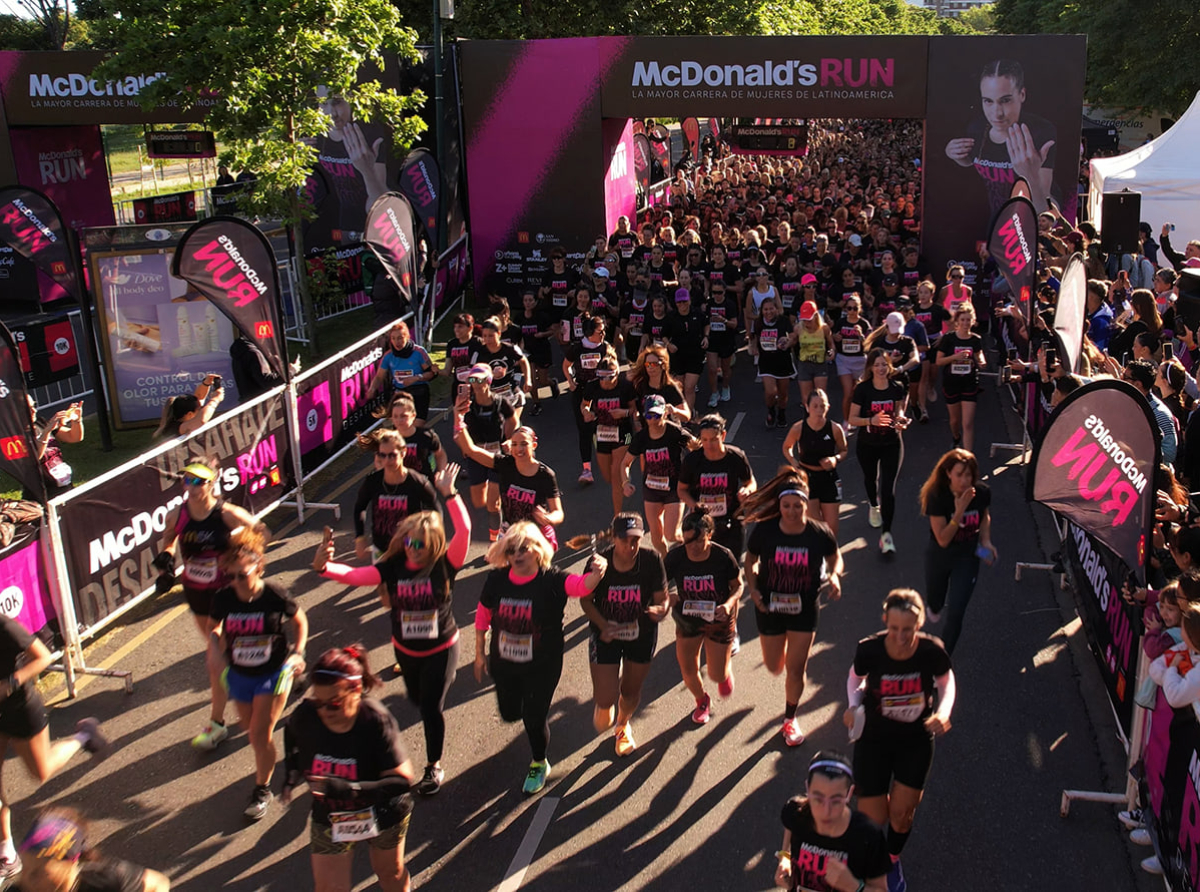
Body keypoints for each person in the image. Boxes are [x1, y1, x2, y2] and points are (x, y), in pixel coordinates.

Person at [315, 465, 468, 796]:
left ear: (434, 544)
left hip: (441, 648)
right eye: (410, 540)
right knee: (416, 699)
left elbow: (465, 531)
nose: (414, 547)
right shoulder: (392, 566)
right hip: (405, 650)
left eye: (422, 543)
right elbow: (358, 576)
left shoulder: (444, 564)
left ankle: (433, 766)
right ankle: (429, 700)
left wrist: (450, 495)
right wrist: (325, 567)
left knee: (430, 708)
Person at [473, 522, 605, 794]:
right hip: (504, 663)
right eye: (511, 550)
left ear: (537, 550)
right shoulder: (497, 580)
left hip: (542, 665)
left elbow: (580, 586)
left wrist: (597, 572)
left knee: (533, 716)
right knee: (510, 713)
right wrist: (478, 653)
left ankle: (538, 762)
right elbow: (483, 614)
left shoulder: (551, 579)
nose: (517, 554)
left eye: (524, 548)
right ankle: (528, 718)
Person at [844, 589, 955, 892]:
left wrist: (944, 711)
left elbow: (946, 681)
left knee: (902, 815)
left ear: (919, 624)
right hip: (874, 739)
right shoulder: (870, 649)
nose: (900, 635)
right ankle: (878, 840)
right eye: (894, 628)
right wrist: (853, 707)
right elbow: (855, 678)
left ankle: (891, 861)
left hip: (914, 741)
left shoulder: (931, 651)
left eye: (908, 629)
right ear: (885, 621)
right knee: (873, 816)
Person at [282, 645, 417, 892]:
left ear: (355, 690)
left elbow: (403, 780)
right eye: (318, 702)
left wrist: (351, 789)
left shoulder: (375, 720)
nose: (324, 712)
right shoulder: (307, 714)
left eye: (333, 703)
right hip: (332, 813)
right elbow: (290, 733)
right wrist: (291, 770)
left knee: (390, 873)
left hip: (382, 810)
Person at [155, 458, 264, 751]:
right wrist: (166, 560)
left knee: (216, 659)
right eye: (185, 480)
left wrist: (239, 553)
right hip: (196, 593)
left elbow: (261, 532)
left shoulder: (225, 513)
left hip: (227, 594)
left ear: (211, 483)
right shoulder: (179, 514)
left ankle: (217, 724)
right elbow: (168, 538)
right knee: (227, 653)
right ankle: (266, 678)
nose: (189, 487)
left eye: (196, 481)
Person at [209, 527, 308, 821]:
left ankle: (262, 789)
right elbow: (214, 627)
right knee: (248, 728)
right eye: (231, 575)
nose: (236, 581)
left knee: (259, 733)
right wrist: (215, 646)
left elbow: (300, 620)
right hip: (239, 673)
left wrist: (298, 652)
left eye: (243, 575)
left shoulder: (274, 595)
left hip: (273, 672)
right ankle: (302, 733)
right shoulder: (224, 598)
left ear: (259, 567)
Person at [0, 617, 107, 878]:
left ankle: (83, 735)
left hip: (19, 710)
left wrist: (7, 685)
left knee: (41, 771)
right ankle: (7, 852)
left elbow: (43, 657)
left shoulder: (3, 626)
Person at [743, 469, 843, 747]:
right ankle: (784, 653)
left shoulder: (817, 532)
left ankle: (789, 719)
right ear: (779, 505)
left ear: (805, 503)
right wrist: (752, 588)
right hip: (770, 606)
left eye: (797, 505)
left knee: (796, 669)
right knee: (775, 665)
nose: (791, 511)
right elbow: (750, 560)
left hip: (804, 608)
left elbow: (836, 556)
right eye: (786, 505)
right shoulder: (765, 530)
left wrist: (834, 575)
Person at [578, 514, 669, 755]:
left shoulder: (651, 560)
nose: (630, 547)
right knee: (605, 699)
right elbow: (585, 600)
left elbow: (662, 599)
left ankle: (622, 726)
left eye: (635, 541)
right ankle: (606, 704)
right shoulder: (599, 563)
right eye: (624, 540)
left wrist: (661, 610)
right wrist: (603, 624)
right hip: (605, 633)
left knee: (629, 692)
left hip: (641, 634)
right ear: (614, 538)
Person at [943, 58, 1057, 216]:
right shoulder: (977, 127)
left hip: (1028, 227)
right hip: (997, 221)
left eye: (1005, 101)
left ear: (1022, 94)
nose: (997, 113)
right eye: (988, 101)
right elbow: (973, 160)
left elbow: (1044, 212)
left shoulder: (1039, 132)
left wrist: (1030, 176)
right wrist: (955, 154)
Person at [665, 507, 741, 725]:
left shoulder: (723, 556)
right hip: (688, 619)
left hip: (718, 619)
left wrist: (728, 604)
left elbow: (738, 586)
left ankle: (723, 673)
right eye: (688, 542)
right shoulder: (676, 557)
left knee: (717, 675)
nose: (693, 547)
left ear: (709, 535)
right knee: (688, 669)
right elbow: (658, 585)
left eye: (699, 541)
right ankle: (702, 700)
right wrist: (667, 597)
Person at [775, 752, 890, 892]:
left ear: (849, 793)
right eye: (818, 798)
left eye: (836, 800)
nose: (826, 811)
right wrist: (785, 857)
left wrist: (854, 887)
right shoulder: (795, 812)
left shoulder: (868, 836)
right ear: (807, 788)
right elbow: (790, 826)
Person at [920, 449, 996, 654]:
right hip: (940, 556)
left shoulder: (981, 492)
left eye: (968, 475)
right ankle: (934, 606)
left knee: (956, 612)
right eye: (959, 474)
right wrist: (960, 510)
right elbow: (943, 539)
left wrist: (986, 542)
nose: (964, 480)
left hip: (967, 556)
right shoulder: (937, 496)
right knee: (935, 603)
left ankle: (942, 659)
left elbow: (984, 517)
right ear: (948, 474)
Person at [455, 425, 564, 549]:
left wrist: (549, 518)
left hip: (535, 536)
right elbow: (471, 450)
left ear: (533, 445)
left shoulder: (545, 475)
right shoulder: (505, 464)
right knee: (509, 567)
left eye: (524, 444)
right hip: (512, 533)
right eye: (514, 444)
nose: (519, 449)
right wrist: (460, 422)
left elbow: (558, 512)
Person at [17, 808, 170, 891]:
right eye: (23, 868)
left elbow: (158, 883)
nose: (26, 880)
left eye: (37, 872)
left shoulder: (107, 877)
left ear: (69, 863)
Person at [622, 395, 700, 557]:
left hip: (674, 488)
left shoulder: (674, 432)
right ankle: (667, 561)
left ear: (665, 413)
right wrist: (625, 482)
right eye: (649, 416)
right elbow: (625, 463)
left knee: (671, 534)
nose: (653, 419)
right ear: (644, 416)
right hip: (651, 489)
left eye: (657, 415)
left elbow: (696, 448)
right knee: (657, 537)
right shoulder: (641, 438)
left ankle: (689, 541)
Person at [849, 350, 911, 555]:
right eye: (877, 365)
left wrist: (901, 420)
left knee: (888, 488)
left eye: (884, 364)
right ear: (870, 368)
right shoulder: (863, 389)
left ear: (889, 366)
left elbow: (899, 410)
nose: (881, 368)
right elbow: (852, 419)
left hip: (892, 443)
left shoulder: (897, 388)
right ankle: (873, 505)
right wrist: (871, 421)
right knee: (870, 478)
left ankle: (887, 535)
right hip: (867, 444)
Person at [678, 413, 757, 559]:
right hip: (702, 522)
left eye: (714, 439)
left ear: (723, 435)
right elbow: (681, 490)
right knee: (705, 564)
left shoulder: (735, 457)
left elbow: (750, 481)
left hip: (731, 519)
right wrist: (694, 505)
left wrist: (747, 490)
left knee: (731, 565)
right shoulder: (693, 460)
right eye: (704, 440)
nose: (709, 445)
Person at [454, 363, 517, 541]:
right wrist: (457, 411)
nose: (476, 383)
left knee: (491, 503)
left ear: (488, 381)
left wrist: (510, 439)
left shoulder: (500, 402)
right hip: (475, 455)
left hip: (497, 455)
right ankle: (502, 511)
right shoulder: (467, 404)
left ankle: (494, 539)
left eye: (480, 379)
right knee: (478, 501)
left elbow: (514, 421)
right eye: (472, 379)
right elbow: (457, 430)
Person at [353, 429, 438, 560]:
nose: (387, 460)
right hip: (381, 547)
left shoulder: (418, 482)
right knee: (383, 580)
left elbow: (435, 513)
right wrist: (360, 537)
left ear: (403, 452)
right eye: (383, 455)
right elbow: (360, 507)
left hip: (411, 546)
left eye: (392, 455)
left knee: (408, 581)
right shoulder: (373, 481)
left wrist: (429, 541)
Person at [783, 389, 849, 539]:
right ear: (807, 407)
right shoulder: (798, 428)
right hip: (807, 478)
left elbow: (844, 450)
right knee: (814, 524)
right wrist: (794, 462)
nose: (819, 410)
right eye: (815, 406)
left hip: (829, 477)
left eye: (822, 406)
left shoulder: (835, 428)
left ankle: (829, 554)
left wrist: (835, 459)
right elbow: (787, 447)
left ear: (828, 407)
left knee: (831, 528)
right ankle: (819, 558)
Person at [580, 352, 638, 513]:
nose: (605, 382)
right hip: (600, 433)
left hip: (623, 433)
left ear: (617, 374)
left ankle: (617, 516)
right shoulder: (592, 386)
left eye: (609, 377)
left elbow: (634, 408)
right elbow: (584, 404)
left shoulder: (625, 387)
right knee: (607, 476)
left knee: (615, 477)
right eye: (601, 377)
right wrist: (586, 412)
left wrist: (624, 413)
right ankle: (624, 478)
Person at [563, 318, 615, 485]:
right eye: (600, 331)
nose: (603, 334)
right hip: (582, 391)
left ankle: (611, 460)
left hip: (601, 391)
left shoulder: (605, 347)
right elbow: (566, 365)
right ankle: (587, 470)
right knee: (584, 430)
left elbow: (614, 365)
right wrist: (570, 382)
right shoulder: (577, 348)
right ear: (589, 332)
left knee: (603, 426)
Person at [935, 306, 986, 451]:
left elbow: (979, 353)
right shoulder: (949, 338)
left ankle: (968, 456)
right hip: (951, 383)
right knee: (955, 420)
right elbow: (939, 361)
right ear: (957, 321)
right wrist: (955, 357)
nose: (965, 323)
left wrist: (981, 361)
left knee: (968, 423)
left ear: (973, 321)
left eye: (968, 320)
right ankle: (956, 436)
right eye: (962, 320)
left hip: (969, 382)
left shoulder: (976, 339)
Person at [366, 321, 437, 424]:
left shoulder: (419, 352)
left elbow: (432, 374)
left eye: (400, 338)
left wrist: (417, 378)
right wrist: (372, 388)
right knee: (400, 426)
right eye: (393, 338)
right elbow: (379, 377)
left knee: (417, 426)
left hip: (418, 391)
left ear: (407, 337)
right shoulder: (388, 356)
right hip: (400, 393)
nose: (396, 342)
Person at [25, 396, 83, 500]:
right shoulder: (17, 434)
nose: (34, 410)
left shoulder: (40, 423)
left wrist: (77, 420)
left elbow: (74, 437)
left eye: (34, 405)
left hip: (64, 486)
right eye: (28, 408)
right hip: (42, 494)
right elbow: (35, 457)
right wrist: (47, 431)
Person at [380, 392, 447, 478]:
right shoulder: (388, 440)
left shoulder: (426, 435)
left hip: (424, 484)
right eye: (395, 416)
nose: (399, 420)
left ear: (413, 416)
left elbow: (440, 454)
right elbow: (380, 463)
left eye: (403, 416)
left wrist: (441, 473)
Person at [757, 297, 799, 428]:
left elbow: (793, 337)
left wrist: (788, 341)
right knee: (770, 392)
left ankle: (781, 413)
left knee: (783, 393)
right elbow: (753, 338)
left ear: (776, 309)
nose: (768, 312)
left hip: (783, 361)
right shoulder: (758, 323)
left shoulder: (784, 321)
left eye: (771, 309)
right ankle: (771, 411)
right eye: (765, 309)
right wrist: (752, 347)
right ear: (761, 311)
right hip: (766, 362)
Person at [832, 295, 871, 430]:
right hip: (844, 360)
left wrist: (860, 335)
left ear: (859, 309)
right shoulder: (841, 322)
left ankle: (861, 418)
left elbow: (869, 344)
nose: (852, 311)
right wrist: (835, 337)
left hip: (860, 361)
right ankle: (847, 420)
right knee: (848, 392)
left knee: (859, 392)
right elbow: (833, 337)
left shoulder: (864, 323)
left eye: (855, 308)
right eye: (849, 308)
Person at [152, 374, 224, 440]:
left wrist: (205, 384)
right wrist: (216, 400)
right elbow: (202, 420)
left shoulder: (173, 418)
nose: (202, 409)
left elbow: (199, 398)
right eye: (200, 409)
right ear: (189, 414)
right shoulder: (178, 429)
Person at [795, 299, 834, 414]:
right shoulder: (798, 328)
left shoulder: (824, 329)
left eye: (809, 319)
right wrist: (786, 342)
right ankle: (809, 421)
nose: (807, 323)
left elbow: (831, 344)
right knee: (806, 399)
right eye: (804, 320)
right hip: (804, 364)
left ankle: (821, 421)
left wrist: (831, 352)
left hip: (820, 364)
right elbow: (792, 341)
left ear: (816, 316)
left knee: (820, 397)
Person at [704, 280, 739, 407]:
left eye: (719, 292)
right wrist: (706, 335)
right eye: (714, 292)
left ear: (724, 292)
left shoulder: (730, 304)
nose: (717, 295)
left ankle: (725, 387)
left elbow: (734, 324)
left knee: (725, 369)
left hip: (726, 340)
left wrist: (723, 320)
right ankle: (714, 393)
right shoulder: (709, 304)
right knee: (712, 369)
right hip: (713, 340)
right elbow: (706, 321)